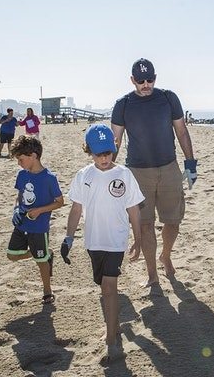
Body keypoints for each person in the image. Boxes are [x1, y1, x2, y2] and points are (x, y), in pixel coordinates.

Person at [110, 58, 197, 285]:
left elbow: (182, 131)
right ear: (132, 80)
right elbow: (116, 140)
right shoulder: (123, 104)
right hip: (137, 172)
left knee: (173, 220)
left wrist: (190, 163)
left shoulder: (168, 98)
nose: (145, 84)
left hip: (169, 167)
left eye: (149, 79)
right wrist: (108, 169)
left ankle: (165, 255)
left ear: (155, 78)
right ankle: (152, 274)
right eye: (140, 81)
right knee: (145, 223)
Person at [62, 124, 144, 363]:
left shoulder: (124, 174)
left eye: (108, 152)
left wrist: (138, 239)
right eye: (99, 153)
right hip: (93, 241)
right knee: (102, 285)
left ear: (114, 148)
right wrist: (69, 237)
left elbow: (134, 209)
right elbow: (76, 209)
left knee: (110, 287)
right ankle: (114, 325)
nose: (105, 157)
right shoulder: (83, 175)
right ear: (89, 151)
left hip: (116, 240)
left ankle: (111, 340)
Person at [7, 135, 64, 305]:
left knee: (41, 262)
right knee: (12, 255)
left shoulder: (49, 178)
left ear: (33, 156)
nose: (19, 163)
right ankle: (45, 253)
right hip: (22, 223)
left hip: (39, 227)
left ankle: (47, 291)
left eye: (21, 159)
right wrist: (16, 208)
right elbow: (20, 195)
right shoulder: (22, 175)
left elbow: (60, 202)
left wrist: (40, 210)